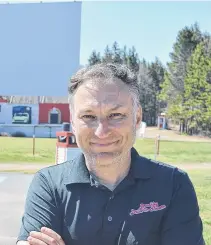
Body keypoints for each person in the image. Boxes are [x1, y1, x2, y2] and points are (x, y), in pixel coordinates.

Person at [16, 63, 204, 245]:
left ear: (137, 118)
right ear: (73, 122)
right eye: (88, 117)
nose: (101, 132)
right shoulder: (49, 185)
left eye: (116, 115)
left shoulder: (173, 185)